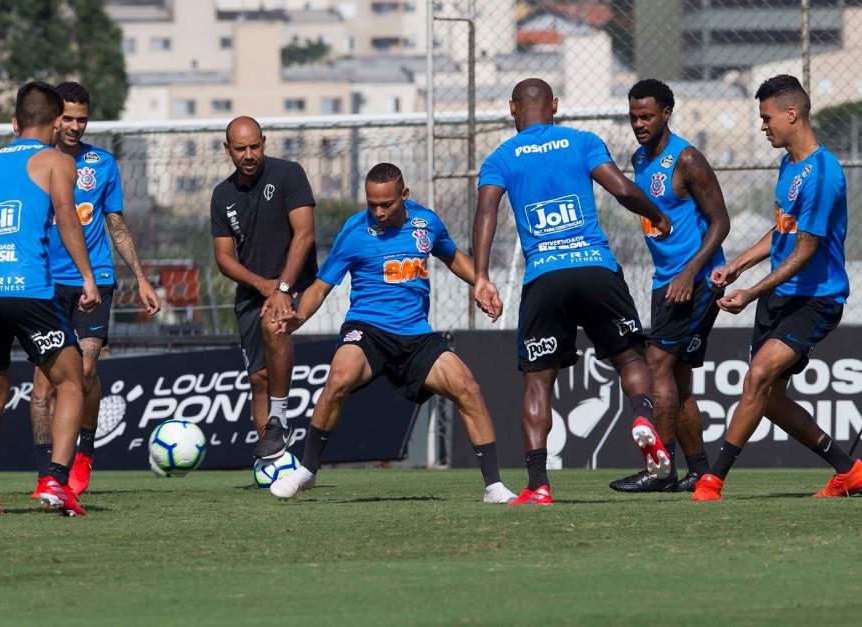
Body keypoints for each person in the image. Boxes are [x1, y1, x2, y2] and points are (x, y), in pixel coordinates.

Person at [472, 78, 674, 505]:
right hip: (595, 268)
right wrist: (656, 212)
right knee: (629, 358)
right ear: (555, 106)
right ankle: (641, 418)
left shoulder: (500, 158)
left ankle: (539, 486)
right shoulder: (582, 141)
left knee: (538, 383)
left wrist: (481, 275)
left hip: (545, 277)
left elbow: (486, 211)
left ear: (512, 109)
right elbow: (620, 188)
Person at [268, 163, 516, 504]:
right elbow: (321, 286)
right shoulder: (354, 231)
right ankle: (307, 471)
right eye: (372, 204)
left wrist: (482, 283)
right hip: (367, 329)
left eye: (386, 204)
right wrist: (299, 318)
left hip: (416, 336)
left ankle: (493, 487)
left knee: (467, 387)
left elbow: (454, 257)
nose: (378, 212)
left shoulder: (426, 222)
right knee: (338, 377)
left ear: (404, 195)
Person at [0, 81, 102, 518]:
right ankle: (56, 481)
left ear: (16, 122)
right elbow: (67, 216)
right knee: (70, 383)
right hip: (27, 290)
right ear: (53, 123)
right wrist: (87, 278)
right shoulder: (55, 161)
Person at [692, 75, 862, 500]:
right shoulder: (789, 165)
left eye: (767, 118)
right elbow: (782, 233)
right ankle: (849, 470)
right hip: (779, 297)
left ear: (792, 114)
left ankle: (712, 480)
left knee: (759, 375)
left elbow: (804, 251)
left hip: (814, 299)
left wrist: (750, 293)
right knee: (768, 398)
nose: (763, 126)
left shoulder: (823, 174)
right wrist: (737, 266)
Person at [29, 82, 161, 498]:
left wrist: (140, 276)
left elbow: (116, 225)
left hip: (95, 279)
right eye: (67, 118)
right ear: (54, 118)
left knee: (86, 370)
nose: (74, 125)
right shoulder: (34, 163)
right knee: (43, 386)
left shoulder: (101, 163)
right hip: (43, 285)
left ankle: (84, 450)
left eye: (81, 119)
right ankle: (46, 472)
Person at [609, 79, 730, 493]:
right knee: (676, 379)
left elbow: (721, 223)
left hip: (695, 281)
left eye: (646, 116)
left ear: (666, 113)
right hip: (666, 283)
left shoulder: (688, 159)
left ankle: (658, 469)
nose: (638, 123)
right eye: (633, 117)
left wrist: (688, 272)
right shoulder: (639, 159)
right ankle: (697, 470)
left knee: (656, 364)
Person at [210, 116, 317, 461]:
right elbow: (224, 259)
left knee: (274, 325)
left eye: (255, 145)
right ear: (228, 150)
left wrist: (283, 287)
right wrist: (262, 285)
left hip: (295, 283)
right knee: (258, 379)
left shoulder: (289, 174)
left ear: (264, 142)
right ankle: (270, 463)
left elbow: (304, 234)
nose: (249, 154)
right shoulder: (222, 194)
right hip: (253, 292)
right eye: (240, 148)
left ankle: (280, 418)